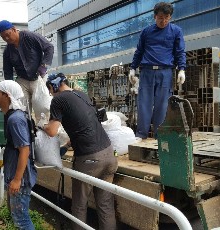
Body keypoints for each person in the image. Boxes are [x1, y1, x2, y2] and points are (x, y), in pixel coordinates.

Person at [42, 73, 118, 230]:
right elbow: (85, 124)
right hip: (109, 154)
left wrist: (42, 125)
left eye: (49, 89)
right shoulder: (81, 94)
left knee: (79, 206)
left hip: (89, 159)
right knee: (105, 205)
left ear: (54, 86)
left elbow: (52, 131)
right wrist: (69, 144)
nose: (50, 94)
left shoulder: (58, 100)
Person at [129, 2, 186, 140]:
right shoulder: (146, 32)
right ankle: (141, 134)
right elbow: (139, 51)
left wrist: (182, 69)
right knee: (144, 103)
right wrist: (132, 68)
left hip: (165, 72)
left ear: (170, 17)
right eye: (161, 17)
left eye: (167, 17)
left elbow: (180, 52)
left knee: (162, 104)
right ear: (155, 17)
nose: (164, 21)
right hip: (147, 71)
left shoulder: (176, 31)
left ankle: (159, 135)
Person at [0, 80, 38, 229]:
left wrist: (17, 179)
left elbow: (24, 149)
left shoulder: (15, 119)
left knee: (21, 219)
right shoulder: (14, 116)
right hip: (19, 175)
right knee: (19, 217)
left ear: (7, 95)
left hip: (21, 178)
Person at [0, 20, 54, 122]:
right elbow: (7, 71)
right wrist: (9, 88)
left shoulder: (29, 36)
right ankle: (27, 131)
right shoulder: (7, 51)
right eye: (3, 37)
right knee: (21, 109)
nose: (6, 38)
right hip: (22, 81)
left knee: (42, 108)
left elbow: (49, 47)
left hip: (38, 78)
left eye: (7, 35)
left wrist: (44, 65)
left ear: (14, 29)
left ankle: (44, 133)